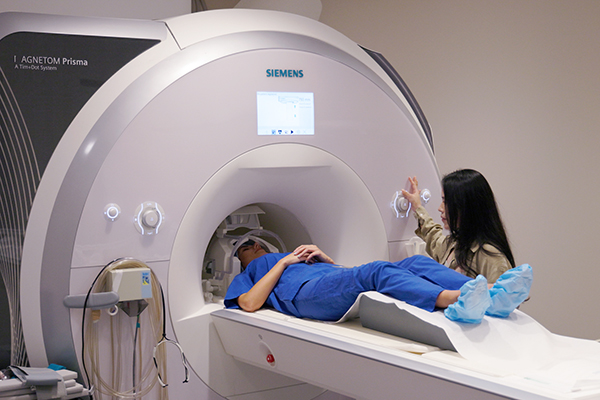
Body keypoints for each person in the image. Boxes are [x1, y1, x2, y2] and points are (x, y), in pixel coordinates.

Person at [225, 241, 532, 324]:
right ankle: (455, 300)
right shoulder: (253, 273)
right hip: (304, 296)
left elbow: (342, 279)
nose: (255, 246)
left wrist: (324, 258)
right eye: (246, 248)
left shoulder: (294, 254)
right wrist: (281, 262)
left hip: (329, 279)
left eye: (258, 244)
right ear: (241, 260)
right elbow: (249, 303)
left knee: (417, 262)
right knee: (376, 272)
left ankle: (492, 295)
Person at [402, 169, 514, 282]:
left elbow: (503, 297)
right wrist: (417, 207)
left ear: (466, 207)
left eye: (446, 202)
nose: (440, 208)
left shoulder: (492, 257)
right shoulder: (455, 244)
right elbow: (433, 237)